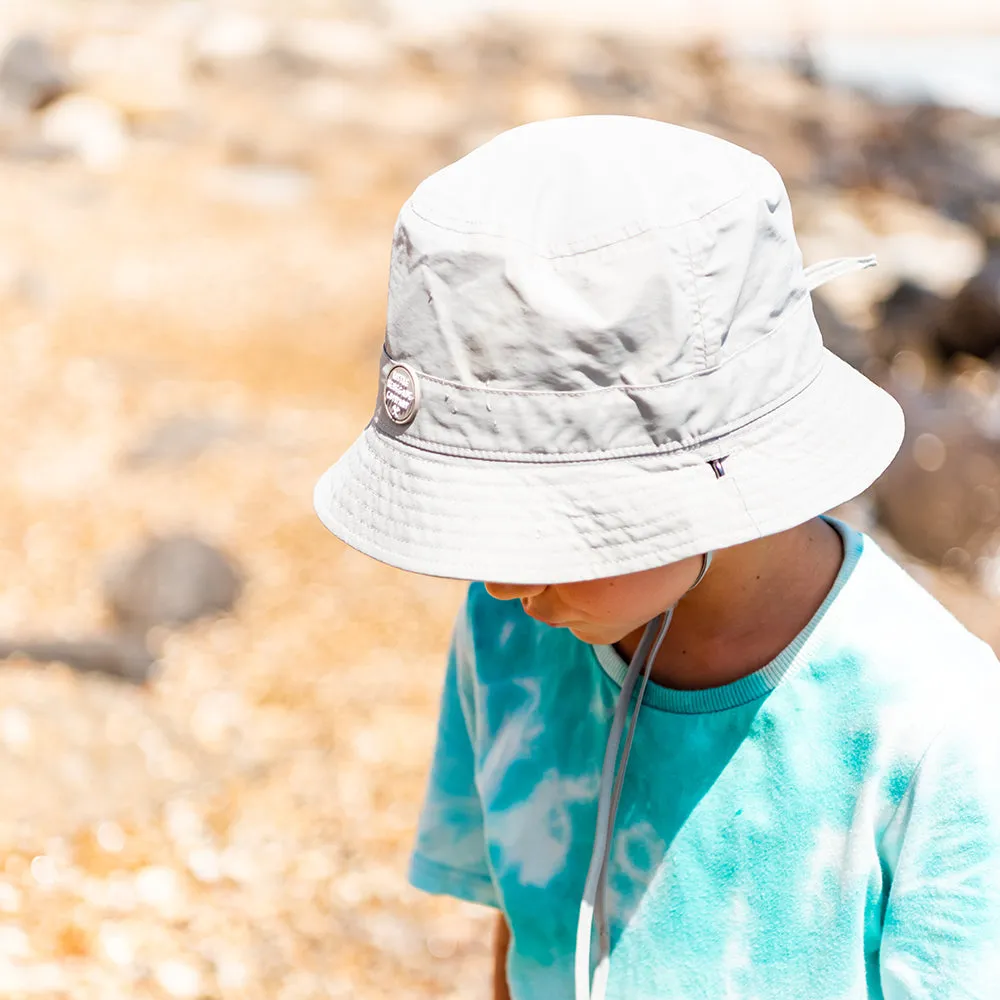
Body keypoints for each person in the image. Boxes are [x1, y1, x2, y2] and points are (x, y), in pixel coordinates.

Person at [313, 116, 1000, 1000]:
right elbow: (531, 940)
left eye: (542, 517)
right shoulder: (508, 636)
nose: (497, 579)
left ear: (716, 463)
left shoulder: (934, 728)